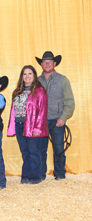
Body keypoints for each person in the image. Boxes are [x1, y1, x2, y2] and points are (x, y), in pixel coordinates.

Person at [36, 51, 75, 180]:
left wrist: (63, 118)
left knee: (58, 148)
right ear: (41, 64)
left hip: (57, 120)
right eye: (44, 62)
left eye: (50, 62)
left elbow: (69, 102)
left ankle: (59, 174)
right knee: (41, 149)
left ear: (55, 63)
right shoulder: (36, 81)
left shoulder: (63, 80)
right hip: (41, 122)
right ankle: (40, 174)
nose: (47, 64)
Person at [7, 65, 48, 184]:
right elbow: (13, 110)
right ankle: (25, 176)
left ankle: (35, 178)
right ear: (22, 77)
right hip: (20, 125)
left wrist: (38, 128)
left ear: (34, 76)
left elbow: (42, 111)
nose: (27, 76)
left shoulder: (40, 91)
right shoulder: (17, 91)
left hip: (32, 125)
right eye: (25, 74)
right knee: (25, 152)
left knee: (34, 152)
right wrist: (13, 126)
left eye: (30, 73)